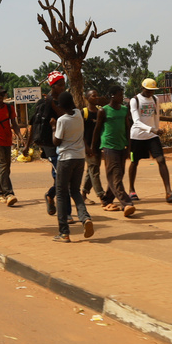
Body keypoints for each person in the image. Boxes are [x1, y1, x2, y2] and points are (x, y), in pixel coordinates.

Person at [128, 78, 172, 203]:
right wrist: (152, 129)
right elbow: (136, 121)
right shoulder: (135, 100)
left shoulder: (155, 99)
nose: (151, 93)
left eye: (153, 91)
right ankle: (131, 190)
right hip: (137, 136)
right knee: (134, 162)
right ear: (143, 88)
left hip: (152, 136)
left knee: (161, 160)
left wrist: (157, 130)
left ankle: (169, 192)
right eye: (149, 91)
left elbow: (156, 116)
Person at [52, 92, 94, 242]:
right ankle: (85, 218)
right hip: (79, 157)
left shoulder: (62, 120)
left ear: (61, 106)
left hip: (65, 159)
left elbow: (57, 141)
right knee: (75, 191)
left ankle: (64, 232)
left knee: (62, 193)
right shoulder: (78, 114)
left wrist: (52, 128)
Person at [23, 70, 66, 216]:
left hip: (64, 143)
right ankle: (65, 212)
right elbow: (34, 125)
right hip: (49, 144)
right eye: (60, 85)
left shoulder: (64, 101)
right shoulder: (43, 103)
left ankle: (50, 195)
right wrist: (27, 146)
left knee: (63, 175)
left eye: (64, 84)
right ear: (53, 86)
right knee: (60, 175)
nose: (63, 87)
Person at [93, 85, 136, 217]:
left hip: (121, 146)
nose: (122, 97)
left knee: (119, 174)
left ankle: (106, 200)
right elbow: (97, 130)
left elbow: (128, 128)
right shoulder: (103, 111)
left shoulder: (123, 110)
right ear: (112, 96)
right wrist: (93, 148)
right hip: (108, 146)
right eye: (120, 95)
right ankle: (126, 203)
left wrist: (129, 146)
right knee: (115, 175)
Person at [0, 86, 22, 207]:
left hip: (7, 140)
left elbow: (14, 124)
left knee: (6, 168)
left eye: (1, 95)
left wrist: (20, 137)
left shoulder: (9, 107)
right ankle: (9, 193)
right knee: (3, 166)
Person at [81, 89, 108, 205]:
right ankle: (102, 196)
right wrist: (87, 147)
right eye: (93, 96)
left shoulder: (99, 112)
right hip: (87, 147)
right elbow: (80, 132)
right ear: (87, 98)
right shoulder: (84, 113)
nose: (96, 98)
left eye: (97, 96)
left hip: (97, 147)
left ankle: (83, 194)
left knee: (91, 171)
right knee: (94, 171)